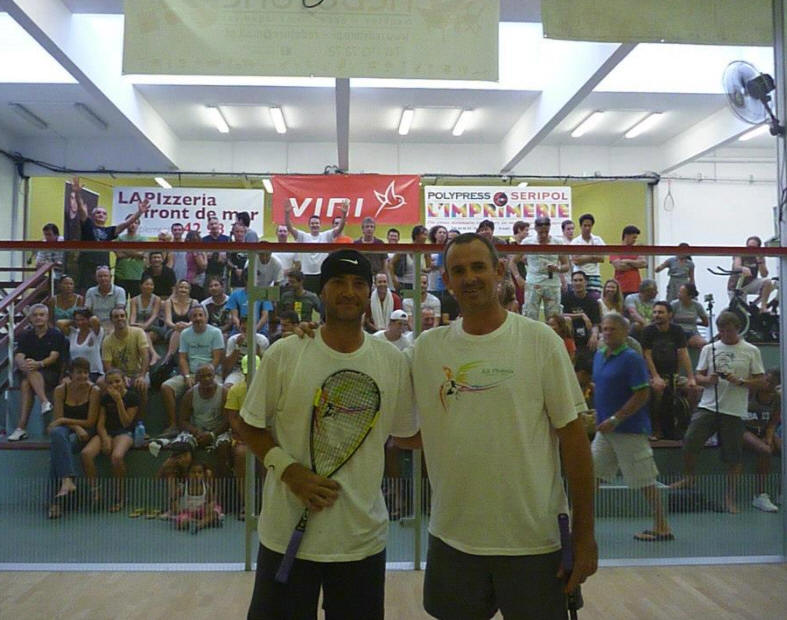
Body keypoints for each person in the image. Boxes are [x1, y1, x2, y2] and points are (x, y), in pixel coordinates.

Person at [408, 232, 597, 619]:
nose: (470, 277)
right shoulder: (427, 348)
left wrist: (585, 534)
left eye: (478, 267)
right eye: (459, 270)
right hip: (453, 539)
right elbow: (401, 421)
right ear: (447, 279)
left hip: (534, 542)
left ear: (498, 271)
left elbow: (575, 442)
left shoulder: (540, 341)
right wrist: (308, 339)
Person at [232, 249, 417, 619]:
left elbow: (407, 435)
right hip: (285, 536)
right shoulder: (285, 354)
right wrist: (289, 471)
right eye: (338, 282)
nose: (348, 291)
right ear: (323, 291)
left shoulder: (392, 361)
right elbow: (248, 424)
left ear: (369, 293)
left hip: (360, 541)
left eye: (359, 283)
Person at [592, 312, 673, 542]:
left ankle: (662, 527)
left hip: (629, 430)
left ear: (625, 332)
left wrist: (616, 418)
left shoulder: (632, 359)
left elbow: (642, 394)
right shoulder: (599, 355)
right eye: (605, 329)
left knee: (644, 480)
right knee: (591, 476)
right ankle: (578, 525)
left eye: (613, 329)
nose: (607, 333)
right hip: (605, 431)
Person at [673, 311, 765, 513]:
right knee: (690, 440)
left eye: (729, 331)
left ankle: (729, 497)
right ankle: (689, 477)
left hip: (734, 409)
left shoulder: (751, 350)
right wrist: (708, 380)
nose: (724, 334)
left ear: (738, 329)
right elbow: (698, 376)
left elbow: (761, 381)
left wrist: (741, 382)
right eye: (721, 330)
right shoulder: (709, 348)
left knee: (733, 455)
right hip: (709, 405)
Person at [73, 176, 149, 293]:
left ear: (106, 217)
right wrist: (77, 194)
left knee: (104, 293)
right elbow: (82, 210)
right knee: (87, 293)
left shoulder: (110, 231)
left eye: (104, 213)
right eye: (98, 213)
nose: (101, 214)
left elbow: (127, 223)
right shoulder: (88, 225)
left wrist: (139, 212)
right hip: (87, 266)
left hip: (104, 267)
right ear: (93, 216)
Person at [46, 357, 100, 519]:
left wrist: (66, 422)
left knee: (57, 451)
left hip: (86, 431)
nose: (83, 376)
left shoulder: (94, 391)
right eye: (79, 372)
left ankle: (55, 503)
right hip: (68, 430)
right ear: (71, 374)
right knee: (58, 435)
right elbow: (58, 419)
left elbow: (90, 421)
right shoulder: (60, 390)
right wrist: (74, 426)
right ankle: (67, 480)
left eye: (86, 373)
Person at [80, 367, 139, 512]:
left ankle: (120, 496)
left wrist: (118, 401)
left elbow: (126, 422)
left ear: (124, 381)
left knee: (116, 457)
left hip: (125, 432)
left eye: (117, 381)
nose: (115, 385)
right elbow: (100, 423)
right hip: (108, 431)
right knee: (86, 454)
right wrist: (105, 438)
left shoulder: (132, 397)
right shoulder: (105, 398)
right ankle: (96, 493)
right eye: (110, 383)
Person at [161, 305, 224, 434]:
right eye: (194, 316)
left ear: (206, 317)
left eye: (201, 315)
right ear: (190, 319)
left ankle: (217, 428)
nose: (198, 318)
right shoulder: (185, 333)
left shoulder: (216, 332)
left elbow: (217, 358)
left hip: (211, 374)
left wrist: (204, 376)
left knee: (222, 390)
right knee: (166, 387)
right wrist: (187, 376)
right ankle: (173, 424)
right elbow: (182, 358)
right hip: (190, 373)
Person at [9, 304, 69, 442]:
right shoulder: (26, 335)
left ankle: (21, 428)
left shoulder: (56, 334)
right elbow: (19, 355)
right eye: (35, 315)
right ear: (30, 318)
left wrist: (39, 364)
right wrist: (22, 363)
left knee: (28, 378)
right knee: (26, 382)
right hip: (32, 373)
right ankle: (44, 402)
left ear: (47, 317)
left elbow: (54, 357)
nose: (38, 318)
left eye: (41, 315)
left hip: (51, 373)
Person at [641, 301, 697, 440]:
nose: (657, 315)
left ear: (670, 315)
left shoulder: (677, 330)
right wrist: (655, 377)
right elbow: (647, 355)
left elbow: (683, 353)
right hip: (652, 375)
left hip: (673, 374)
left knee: (694, 390)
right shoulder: (648, 331)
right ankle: (656, 429)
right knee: (657, 390)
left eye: (661, 312)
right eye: (655, 312)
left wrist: (691, 377)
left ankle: (686, 428)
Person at [284, 200, 348, 293]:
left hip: (322, 274)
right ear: (309, 225)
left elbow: (340, 228)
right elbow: (289, 228)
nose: (315, 225)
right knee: (307, 297)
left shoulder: (326, 235)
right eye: (312, 223)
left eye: (317, 223)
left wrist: (344, 214)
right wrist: (287, 214)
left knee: (322, 298)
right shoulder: (303, 236)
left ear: (320, 225)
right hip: (306, 275)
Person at [223, 354, 259, 517]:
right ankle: (247, 504)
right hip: (242, 437)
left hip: (263, 435)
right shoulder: (236, 390)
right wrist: (246, 436)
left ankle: (266, 506)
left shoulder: (269, 389)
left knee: (269, 458)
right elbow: (232, 418)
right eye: (248, 372)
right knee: (241, 455)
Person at [101, 307, 150, 421]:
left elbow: (145, 356)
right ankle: (109, 419)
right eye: (116, 317)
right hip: (118, 374)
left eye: (122, 316)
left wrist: (142, 376)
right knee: (100, 383)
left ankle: (140, 420)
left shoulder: (138, 332)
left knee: (143, 385)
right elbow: (107, 365)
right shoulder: (107, 340)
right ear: (111, 320)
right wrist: (121, 377)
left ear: (126, 317)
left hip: (138, 372)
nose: (119, 319)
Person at [743, 368, 782, 512]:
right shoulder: (750, 391)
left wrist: (769, 437)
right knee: (765, 451)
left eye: (772, 383)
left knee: (783, 449)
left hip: (764, 430)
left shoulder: (776, 398)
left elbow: (773, 421)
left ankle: (782, 492)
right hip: (743, 429)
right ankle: (759, 495)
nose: (767, 384)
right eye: (767, 380)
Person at [521, 215, 570, 321]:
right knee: (530, 315)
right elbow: (513, 261)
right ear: (535, 229)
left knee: (554, 317)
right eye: (541, 232)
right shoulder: (527, 242)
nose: (543, 235)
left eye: (546, 232)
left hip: (552, 283)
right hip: (533, 283)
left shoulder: (558, 242)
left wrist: (557, 268)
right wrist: (517, 277)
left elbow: (566, 265)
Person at [170, 462, 224, 533]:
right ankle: (206, 522)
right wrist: (176, 507)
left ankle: (199, 525)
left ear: (204, 475)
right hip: (188, 512)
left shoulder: (206, 487)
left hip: (202, 511)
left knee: (214, 512)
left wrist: (210, 505)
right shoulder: (183, 488)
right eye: (193, 472)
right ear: (187, 474)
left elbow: (212, 500)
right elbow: (173, 498)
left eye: (199, 472)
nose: (196, 475)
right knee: (182, 523)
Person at [730, 235, 774, 313]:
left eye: (754, 248)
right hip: (737, 286)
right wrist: (743, 268)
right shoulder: (740, 253)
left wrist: (759, 261)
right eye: (749, 247)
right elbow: (736, 266)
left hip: (750, 283)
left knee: (768, 282)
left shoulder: (760, 256)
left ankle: (763, 307)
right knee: (740, 312)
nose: (750, 249)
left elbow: (764, 274)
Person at [223, 316, 269, 387]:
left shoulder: (262, 340)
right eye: (244, 330)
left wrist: (256, 349)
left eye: (250, 330)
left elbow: (265, 365)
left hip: (256, 372)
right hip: (237, 371)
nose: (247, 332)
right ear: (240, 328)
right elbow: (228, 366)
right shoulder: (233, 340)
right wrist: (237, 347)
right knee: (227, 387)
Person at [561, 270, 601, 351]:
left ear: (586, 282)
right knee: (567, 320)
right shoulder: (566, 297)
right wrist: (581, 315)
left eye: (580, 280)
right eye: (575, 280)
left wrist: (594, 335)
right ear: (572, 283)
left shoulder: (593, 301)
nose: (578, 283)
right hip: (571, 332)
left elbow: (595, 324)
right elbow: (560, 315)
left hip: (587, 332)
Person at [63, 307, 105, 383]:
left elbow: (94, 319)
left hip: (93, 372)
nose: (80, 323)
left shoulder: (95, 333)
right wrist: (73, 321)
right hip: (75, 373)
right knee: (65, 382)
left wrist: (87, 316)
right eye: (77, 320)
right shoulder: (73, 333)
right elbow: (60, 323)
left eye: (82, 320)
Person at [129, 274, 163, 364]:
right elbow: (133, 315)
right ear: (141, 286)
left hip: (153, 328)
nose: (149, 287)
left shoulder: (157, 299)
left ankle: (154, 355)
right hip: (138, 327)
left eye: (151, 285)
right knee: (139, 335)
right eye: (147, 284)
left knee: (145, 335)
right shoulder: (134, 300)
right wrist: (133, 324)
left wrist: (145, 326)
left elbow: (154, 315)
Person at [571, 213, 606, 299]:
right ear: (580, 226)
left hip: (595, 275)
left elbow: (602, 258)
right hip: (579, 275)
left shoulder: (598, 240)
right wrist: (593, 256)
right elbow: (576, 261)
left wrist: (583, 257)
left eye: (589, 226)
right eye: (585, 225)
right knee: (579, 299)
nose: (587, 228)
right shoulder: (575, 242)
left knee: (595, 299)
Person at [84, 266, 126, 332]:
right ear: (96, 278)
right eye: (100, 276)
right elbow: (87, 310)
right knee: (93, 319)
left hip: (113, 324)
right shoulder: (90, 291)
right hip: (96, 324)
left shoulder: (120, 291)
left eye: (105, 276)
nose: (103, 278)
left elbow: (119, 310)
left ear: (110, 277)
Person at [113, 215, 146, 298]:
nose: (133, 225)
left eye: (136, 223)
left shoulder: (143, 239)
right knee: (120, 301)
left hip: (137, 275)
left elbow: (142, 254)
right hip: (121, 275)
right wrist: (135, 252)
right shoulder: (119, 238)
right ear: (126, 223)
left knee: (136, 302)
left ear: (138, 225)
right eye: (131, 222)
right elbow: (119, 255)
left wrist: (124, 249)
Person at [391, 225, 430, 292]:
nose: (425, 237)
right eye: (424, 234)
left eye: (426, 235)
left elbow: (428, 268)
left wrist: (426, 270)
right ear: (416, 236)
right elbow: (390, 264)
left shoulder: (426, 251)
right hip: (403, 284)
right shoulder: (405, 249)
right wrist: (394, 279)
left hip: (419, 285)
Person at [611, 225, 646, 297]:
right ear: (626, 236)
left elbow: (643, 263)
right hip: (621, 288)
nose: (635, 240)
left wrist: (627, 261)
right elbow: (619, 266)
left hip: (636, 288)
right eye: (633, 237)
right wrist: (636, 264)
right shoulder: (615, 249)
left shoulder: (637, 250)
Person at [671, 283, 709, 349]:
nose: (678, 294)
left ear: (689, 296)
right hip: (677, 332)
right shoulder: (674, 304)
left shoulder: (697, 305)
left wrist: (694, 322)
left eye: (681, 293)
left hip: (692, 333)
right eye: (679, 292)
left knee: (703, 344)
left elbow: (706, 323)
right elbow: (668, 319)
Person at [202, 216, 230, 280]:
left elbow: (229, 256)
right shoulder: (204, 240)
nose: (214, 226)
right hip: (208, 273)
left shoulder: (227, 239)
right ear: (208, 226)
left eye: (215, 224)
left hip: (223, 273)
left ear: (219, 225)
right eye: (211, 224)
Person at [185, 230, 208, 300]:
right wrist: (205, 255)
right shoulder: (196, 251)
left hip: (190, 277)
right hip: (196, 280)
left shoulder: (188, 250)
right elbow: (203, 266)